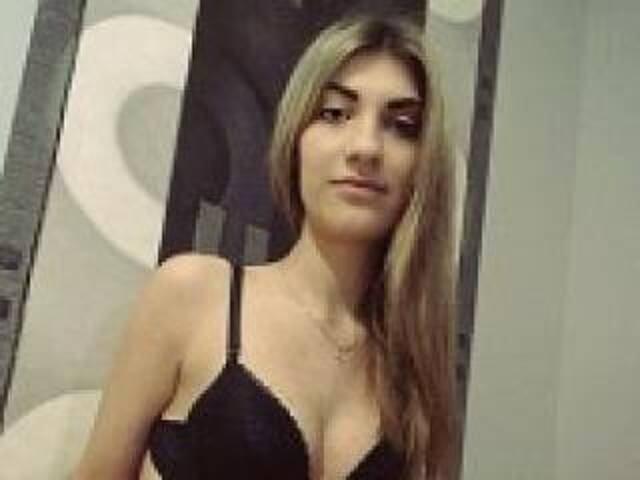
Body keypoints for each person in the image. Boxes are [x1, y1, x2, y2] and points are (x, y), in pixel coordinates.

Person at [73, 14, 458, 480]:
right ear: (296, 138)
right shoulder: (194, 295)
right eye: (335, 113)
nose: (366, 148)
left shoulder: (415, 373)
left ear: (423, 166)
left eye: (402, 125)